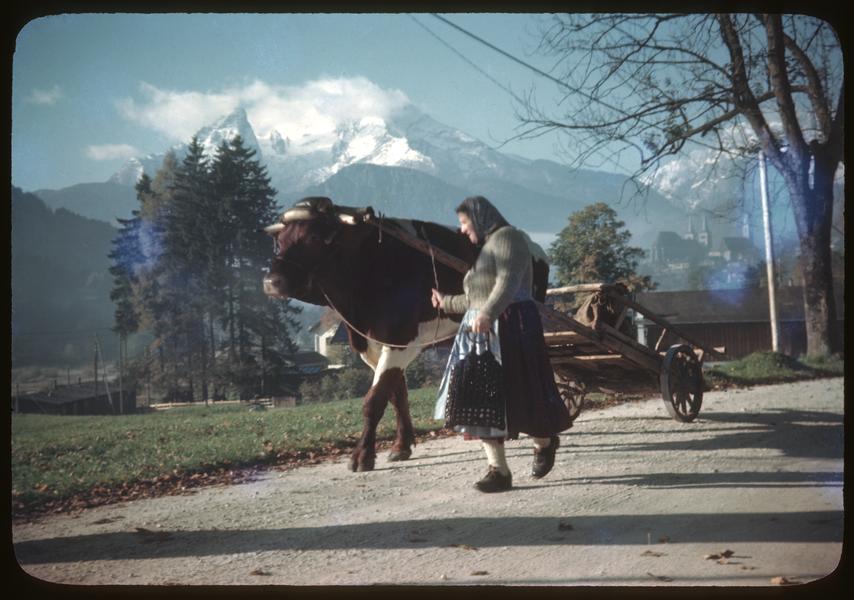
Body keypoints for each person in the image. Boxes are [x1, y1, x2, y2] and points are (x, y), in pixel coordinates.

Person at [432, 196, 572, 493]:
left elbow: (508, 282)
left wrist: (488, 313)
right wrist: (445, 302)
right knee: (480, 399)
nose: (462, 229)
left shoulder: (509, 238)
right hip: (479, 331)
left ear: (479, 217)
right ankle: (498, 471)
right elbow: (476, 298)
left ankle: (544, 442)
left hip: (512, 325)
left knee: (523, 394)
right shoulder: (485, 250)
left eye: (464, 222)